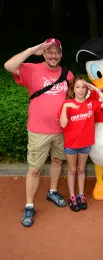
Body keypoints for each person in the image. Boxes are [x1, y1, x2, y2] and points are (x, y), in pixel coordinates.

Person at [4, 38, 74, 227]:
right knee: (34, 169)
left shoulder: (68, 75)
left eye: (56, 52)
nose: (53, 55)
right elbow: (9, 65)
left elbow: (74, 99)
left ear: (61, 54)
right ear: (43, 53)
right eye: (49, 52)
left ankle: (52, 191)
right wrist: (32, 49)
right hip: (39, 130)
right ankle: (29, 205)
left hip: (61, 130)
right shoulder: (32, 69)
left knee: (58, 161)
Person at [58, 77, 103, 212]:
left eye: (83, 87)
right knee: (72, 170)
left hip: (85, 144)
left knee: (81, 170)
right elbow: (63, 124)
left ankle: (81, 195)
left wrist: (96, 90)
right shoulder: (67, 104)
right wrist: (65, 106)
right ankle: (72, 196)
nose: (80, 90)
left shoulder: (90, 104)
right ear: (73, 89)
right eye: (77, 87)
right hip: (71, 145)